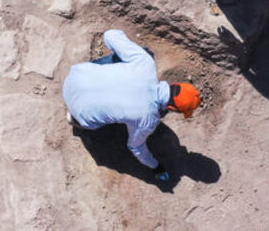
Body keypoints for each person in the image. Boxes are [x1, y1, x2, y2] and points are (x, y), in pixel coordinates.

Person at [62, 29, 202, 181]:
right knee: (95, 119)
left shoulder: (146, 63)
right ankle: (74, 120)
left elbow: (110, 35)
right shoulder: (148, 119)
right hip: (78, 110)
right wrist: (157, 167)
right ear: (173, 108)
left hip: (76, 77)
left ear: (175, 84)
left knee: (145, 53)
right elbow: (136, 147)